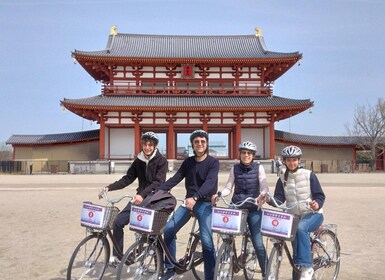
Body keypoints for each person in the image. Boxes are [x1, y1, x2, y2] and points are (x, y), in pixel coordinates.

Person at [158, 129, 219, 280]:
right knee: (169, 229)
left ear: (206, 144)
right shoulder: (188, 162)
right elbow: (176, 178)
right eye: (196, 141)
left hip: (204, 203)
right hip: (188, 202)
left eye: (203, 141)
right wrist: (158, 191)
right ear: (192, 144)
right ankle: (170, 267)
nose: (200, 144)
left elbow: (210, 183)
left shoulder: (213, 162)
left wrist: (196, 197)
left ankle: (210, 276)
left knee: (206, 241)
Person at [99, 131, 168, 263]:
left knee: (151, 232)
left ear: (155, 146)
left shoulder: (162, 161)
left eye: (150, 145)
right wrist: (109, 187)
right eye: (145, 144)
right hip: (139, 198)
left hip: (154, 198)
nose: (147, 147)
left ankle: (158, 265)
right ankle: (119, 256)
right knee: (118, 222)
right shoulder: (139, 161)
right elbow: (128, 178)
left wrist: (142, 195)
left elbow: (158, 183)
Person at [265, 145, 325, 280]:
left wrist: (317, 204)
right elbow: (279, 199)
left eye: (294, 160)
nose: (291, 163)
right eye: (288, 160)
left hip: (313, 214)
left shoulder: (309, 175)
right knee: (296, 250)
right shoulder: (282, 178)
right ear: (284, 161)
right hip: (294, 216)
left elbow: (320, 196)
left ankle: (308, 268)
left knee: (301, 227)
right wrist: (268, 199)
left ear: (299, 160)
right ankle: (298, 274)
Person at [211, 141, 269, 279]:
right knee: (226, 235)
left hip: (254, 208)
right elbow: (228, 187)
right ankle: (227, 258)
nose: (246, 155)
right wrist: (219, 194)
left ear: (253, 155)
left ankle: (267, 273)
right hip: (236, 206)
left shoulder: (259, 168)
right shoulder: (234, 168)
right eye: (243, 153)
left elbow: (264, 186)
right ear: (240, 154)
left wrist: (262, 195)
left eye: (249, 153)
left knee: (258, 244)